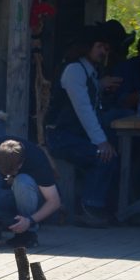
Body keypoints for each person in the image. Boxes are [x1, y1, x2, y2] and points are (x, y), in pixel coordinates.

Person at [46, 23, 128, 228]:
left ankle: (103, 205)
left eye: (106, 49)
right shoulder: (74, 70)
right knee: (104, 157)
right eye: (100, 46)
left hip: (73, 135)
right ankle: (90, 207)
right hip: (61, 137)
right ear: (87, 47)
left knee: (113, 149)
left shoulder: (88, 71)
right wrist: (101, 142)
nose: (103, 52)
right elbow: (83, 109)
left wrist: (100, 85)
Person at [0, 137, 61, 248]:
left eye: (12, 171)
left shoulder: (36, 158)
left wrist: (30, 220)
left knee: (22, 181)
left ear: (21, 163)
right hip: (11, 197)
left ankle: (26, 233)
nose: (7, 174)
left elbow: (54, 201)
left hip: (35, 202)